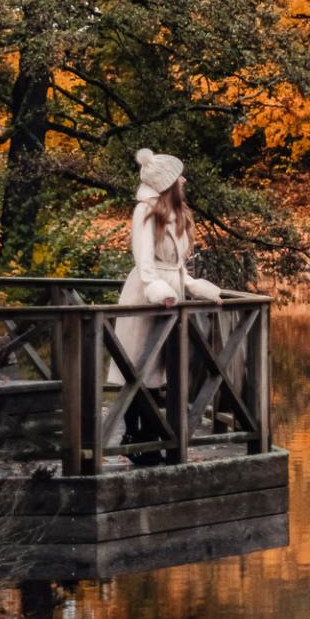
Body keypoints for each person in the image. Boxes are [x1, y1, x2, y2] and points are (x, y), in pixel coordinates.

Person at [109, 152, 223, 449]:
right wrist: (156, 289)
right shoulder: (145, 211)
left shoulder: (178, 213)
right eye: (178, 176)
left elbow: (178, 266)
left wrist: (194, 286)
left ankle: (155, 434)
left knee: (163, 370)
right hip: (147, 295)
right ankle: (133, 435)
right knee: (138, 366)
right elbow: (144, 260)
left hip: (173, 292)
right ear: (167, 182)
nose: (183, 180)